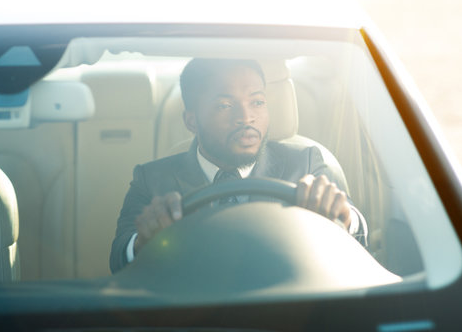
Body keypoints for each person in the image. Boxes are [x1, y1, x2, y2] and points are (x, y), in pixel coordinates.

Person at [110, 58, 367, 273]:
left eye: (257, 102)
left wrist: (343, 216)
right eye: (225, 105)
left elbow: (356, 231)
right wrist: (143, 242)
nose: (246, 117)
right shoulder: (152, 179)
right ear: (191, 121)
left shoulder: (305, 163)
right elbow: (120, 257)